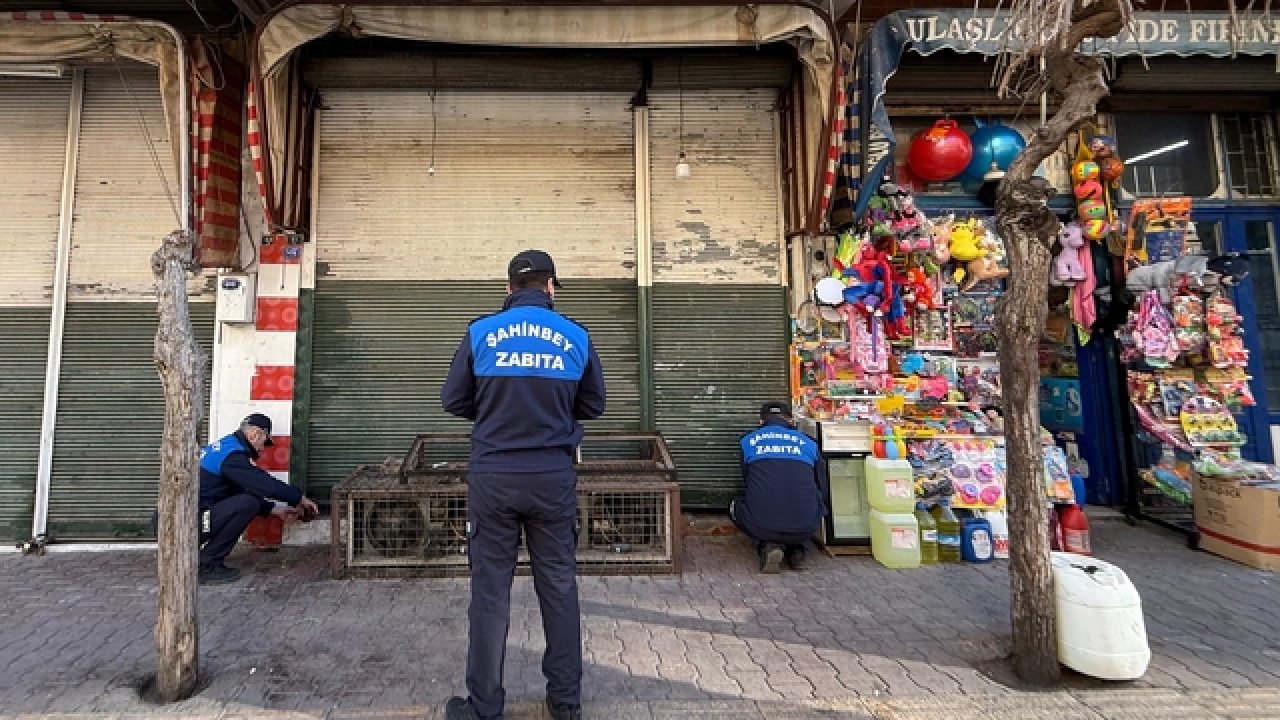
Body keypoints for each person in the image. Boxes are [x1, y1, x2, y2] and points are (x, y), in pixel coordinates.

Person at [440, 249, 606, 720]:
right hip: (552, 478)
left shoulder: (480, 332)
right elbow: (594, 405)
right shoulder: (576, 335)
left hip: (493, 477)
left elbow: (452, 399)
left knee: (489, 593)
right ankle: (566, 703)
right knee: (559, 588)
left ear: (509, 288)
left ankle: (484, 707)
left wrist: (494, 413)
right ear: (550, 287)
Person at [196, 413, 318, 585]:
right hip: (187, 525)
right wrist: (298, 498)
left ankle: (204, 560)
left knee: (247, 502)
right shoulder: (233, 456)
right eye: (264, 442)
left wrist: (275, 510)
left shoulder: (225, 448)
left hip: (188, 519)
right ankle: (206, 565)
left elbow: (236, 493)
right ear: (254, 434)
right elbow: (263, 484)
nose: (262, 449)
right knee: (248, 504)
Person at [730, 402, 826, 573]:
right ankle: (798, 550)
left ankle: (768, 546)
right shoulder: (809, 443)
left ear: (761, 421)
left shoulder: (748, 441)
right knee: (812, 502)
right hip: (806, 525)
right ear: (790, 420)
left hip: (762, 524)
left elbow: (747, 479)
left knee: (735, 505)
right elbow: (822, 485)